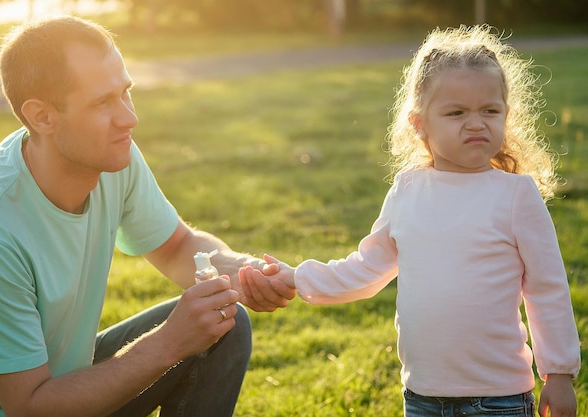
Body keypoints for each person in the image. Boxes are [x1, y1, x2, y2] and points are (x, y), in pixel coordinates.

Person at [240, 25, 581, 417]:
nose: (475, 123)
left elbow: (547, 290)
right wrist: (297, 277)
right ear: (420, 124)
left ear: (507, 113)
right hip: (421, 396)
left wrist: (557, 373)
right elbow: (366, 269)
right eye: (456, 113)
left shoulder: (516, 196)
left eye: (490, 110)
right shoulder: (408, 190)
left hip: (497, 398)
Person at [0, 15, 293, 417]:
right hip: (19, 406)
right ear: (42, 117)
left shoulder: (109, 156)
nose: (129, 118)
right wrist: (170, 343)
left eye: (125, 93)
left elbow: (178, 247)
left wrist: (245, 271)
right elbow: (31, 406)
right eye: (103, 102)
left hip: (66, 379)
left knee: (224, 323)